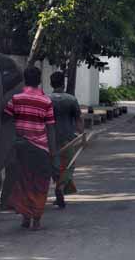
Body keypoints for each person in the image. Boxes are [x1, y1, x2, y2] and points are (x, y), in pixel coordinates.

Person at [4, 66, 57, 230]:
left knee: (23, 183)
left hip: (20, 148)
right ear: (40, 81)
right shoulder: (46, 101)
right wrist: (53, 153)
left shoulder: (16, 99)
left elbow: (6, 120)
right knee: (39, 184)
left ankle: (26, 217)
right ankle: (37, 220)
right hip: (40, 148)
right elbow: (50, 128)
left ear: (25, 80)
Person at [48, 71, 84, 209]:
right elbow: (78, 120)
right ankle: (61, 187)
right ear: (63, 83)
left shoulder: (46, 99)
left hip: (51, 139)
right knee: (69, 166)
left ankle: (58, 186)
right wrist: (83, 134)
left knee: (55, 166)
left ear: (51, 84)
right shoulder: (71, 99)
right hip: (68, 139)